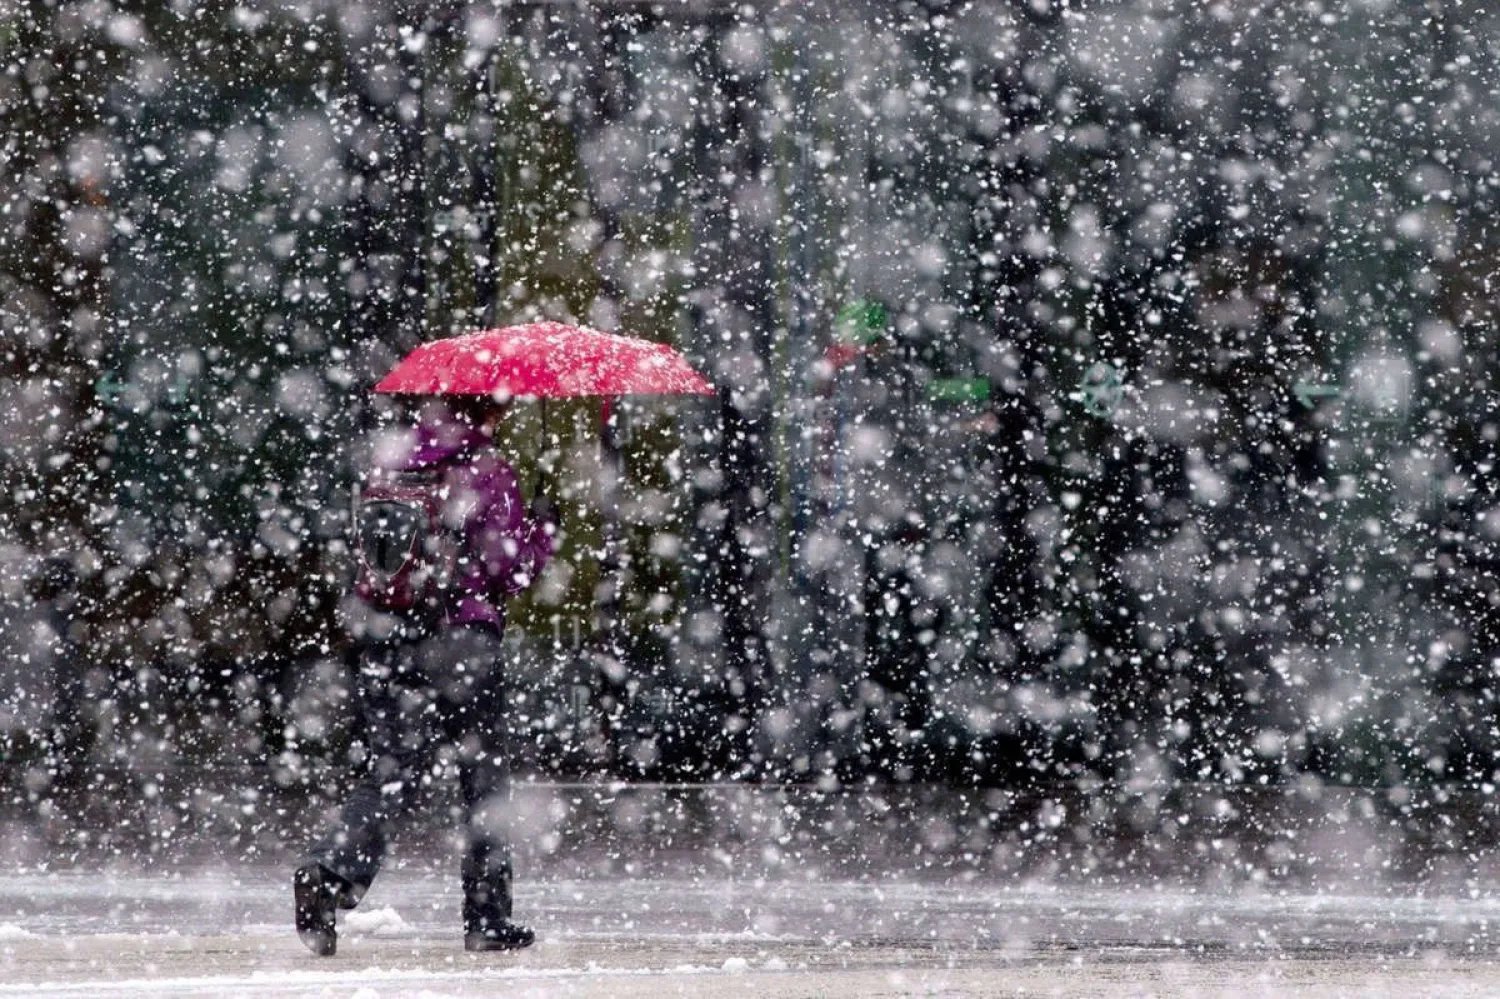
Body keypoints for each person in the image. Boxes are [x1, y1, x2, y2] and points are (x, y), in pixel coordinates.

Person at [294, 395, 557, 956]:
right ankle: (487, 919)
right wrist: (543, 529)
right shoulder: (487, 470)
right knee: (484, 780)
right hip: (461, 639)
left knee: (390, 770)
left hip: (390, 635)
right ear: (491, 408)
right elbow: (509, 573)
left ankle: (331, 871)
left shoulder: (389, 464)